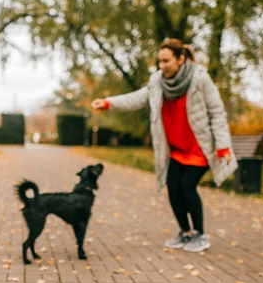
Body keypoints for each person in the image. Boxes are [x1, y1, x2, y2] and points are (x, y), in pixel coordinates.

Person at [91, 38, 237, 252]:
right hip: (176, 148)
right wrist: (108, 103)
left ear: (180, 59)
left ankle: (200, 234)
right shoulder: (158, 81)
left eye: (166, 61)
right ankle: (185, 232)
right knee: (172, 188)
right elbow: (137, 98)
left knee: (187, 186)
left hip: (199, 146)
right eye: (159, 61)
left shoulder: (199, 79)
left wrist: (223, 145)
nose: (162, 66)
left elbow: (217, 112)